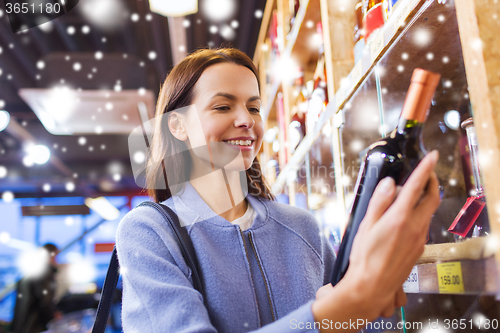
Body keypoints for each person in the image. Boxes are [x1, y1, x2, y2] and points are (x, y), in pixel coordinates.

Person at [115, 48, 440, 332]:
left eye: (254, 108)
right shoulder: (149, 232)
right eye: (223, 107)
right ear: (178, 126)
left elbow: (368, 322)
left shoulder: (302, 227)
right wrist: (332, 313)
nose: (246, 119)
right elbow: (345, 310)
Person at [10, 243, 59, 333]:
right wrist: (53, 320)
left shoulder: (28, 272)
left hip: (21, 325)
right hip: (34, 327)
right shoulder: (45, 273)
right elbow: (45, 302)